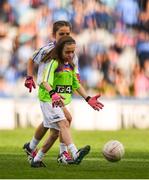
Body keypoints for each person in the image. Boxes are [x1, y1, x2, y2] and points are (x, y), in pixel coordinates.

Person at [23, 20, 103, 163]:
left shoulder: (71, 55)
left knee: (53, 124)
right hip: (48, 93)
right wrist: (29, 77)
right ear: (54, 34)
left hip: (59, 95)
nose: (64, 36)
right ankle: (69, 153)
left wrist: (87, 97)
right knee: (61, 123)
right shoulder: (47, 51)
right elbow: (31, 60)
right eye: (61, 34)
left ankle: (32, 148)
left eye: (67, 33)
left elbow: (75, 81)